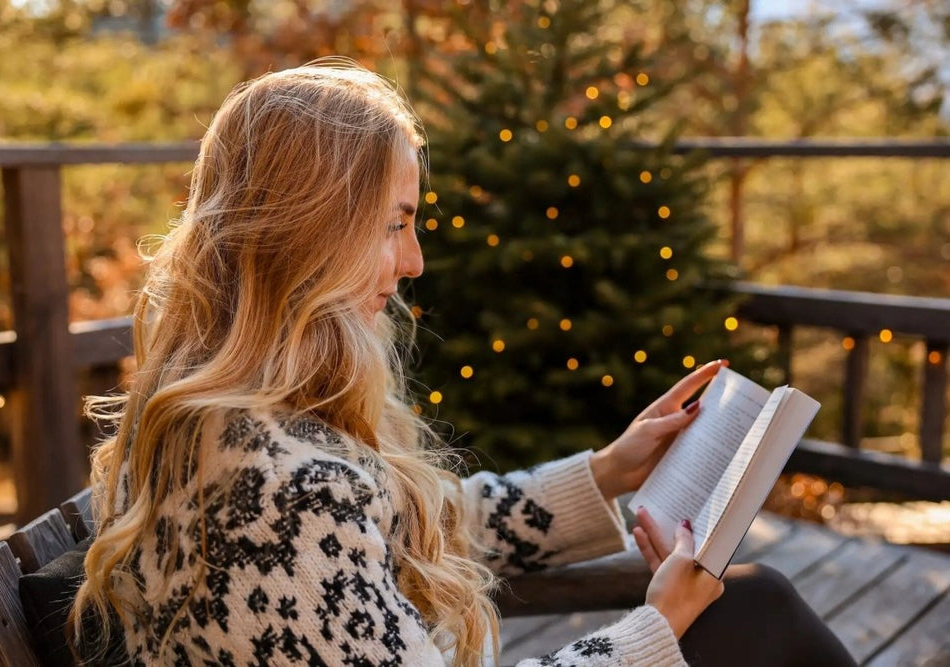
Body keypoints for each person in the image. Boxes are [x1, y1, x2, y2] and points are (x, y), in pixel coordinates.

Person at [71, 60, 856, 666]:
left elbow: (406, 525)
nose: (414, 260)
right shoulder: (282, 492)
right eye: (394, 225)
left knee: (756, 604)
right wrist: (659, 623)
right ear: (310, 232)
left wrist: (608, 471)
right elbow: (338, 537)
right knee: (760, 614)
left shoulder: (230, 411)